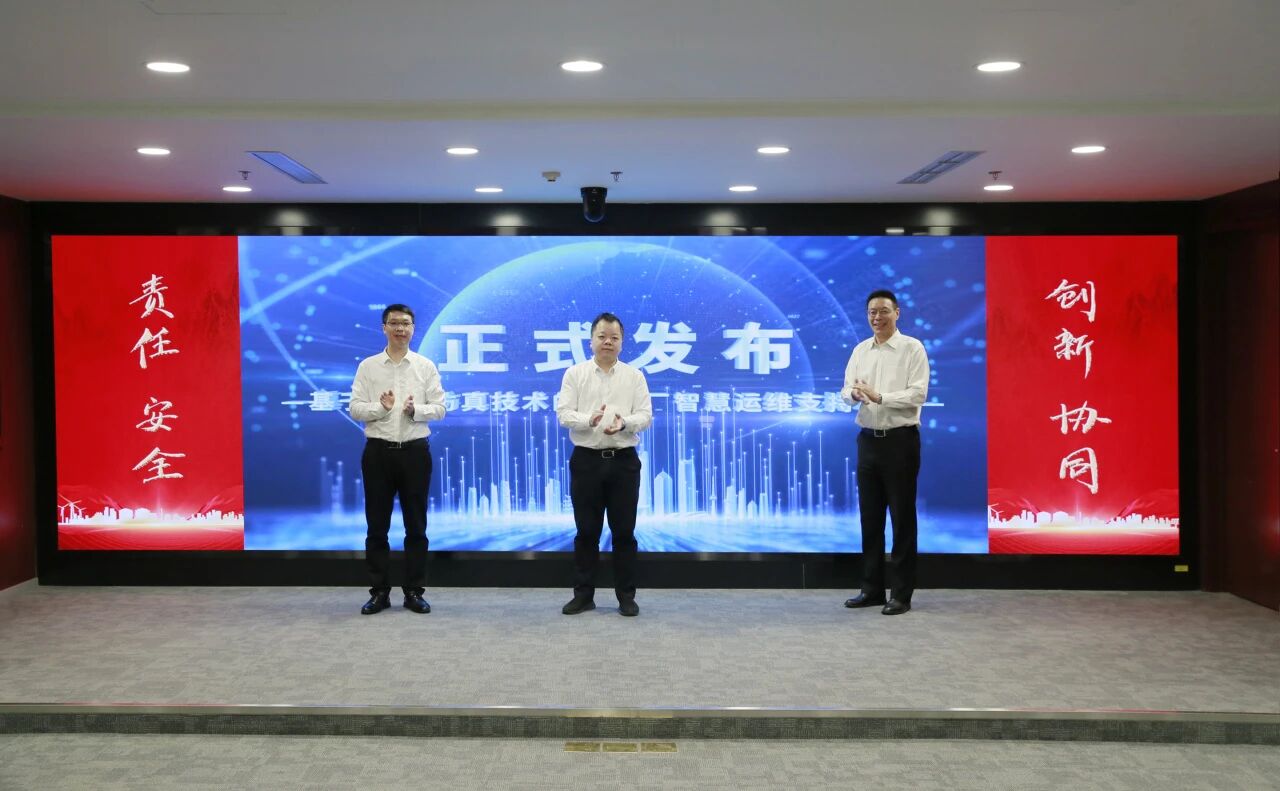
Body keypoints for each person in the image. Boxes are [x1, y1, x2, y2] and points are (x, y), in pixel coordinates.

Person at [349, 304, 447, 615]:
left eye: (405, 324)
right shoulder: (368, 367)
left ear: (413, 329)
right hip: (378, 453)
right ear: (384, 328)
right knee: (377, 527)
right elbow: (355, 408)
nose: (400, 329)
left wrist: (415, 410)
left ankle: (414, 591)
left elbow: (440, 408)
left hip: (415, 453)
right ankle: (379, 592)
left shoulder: (425, 366)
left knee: (416, 526)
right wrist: (381, 408)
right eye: (394, 323)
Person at [556, 312, 653, 617]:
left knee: (624, 532)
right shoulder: (575, 374)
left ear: (622, 343)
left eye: (614, 337)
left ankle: (626, 596)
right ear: (591, 341)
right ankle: (583, 595)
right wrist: (590, 419)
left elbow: (645, 416)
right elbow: (564, 414)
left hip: (624, 462)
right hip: (586, 460)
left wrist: (624, 424)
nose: (607, 342)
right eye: (602, 336)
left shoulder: (634, 376)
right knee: (586, 532)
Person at [841, 289, 930, 615]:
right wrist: (853, 394)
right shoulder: (861, 350)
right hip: (868, 440)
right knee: (870, 518)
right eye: (872, 313)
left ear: (897, 313)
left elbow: (917, 394)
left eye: (883, 311)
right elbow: (845, 390)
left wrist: (880, 397)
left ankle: (901, 595)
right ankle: (872, 589)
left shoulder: (912, 348)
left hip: (899, 441)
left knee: (902, 519)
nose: (877, 318)